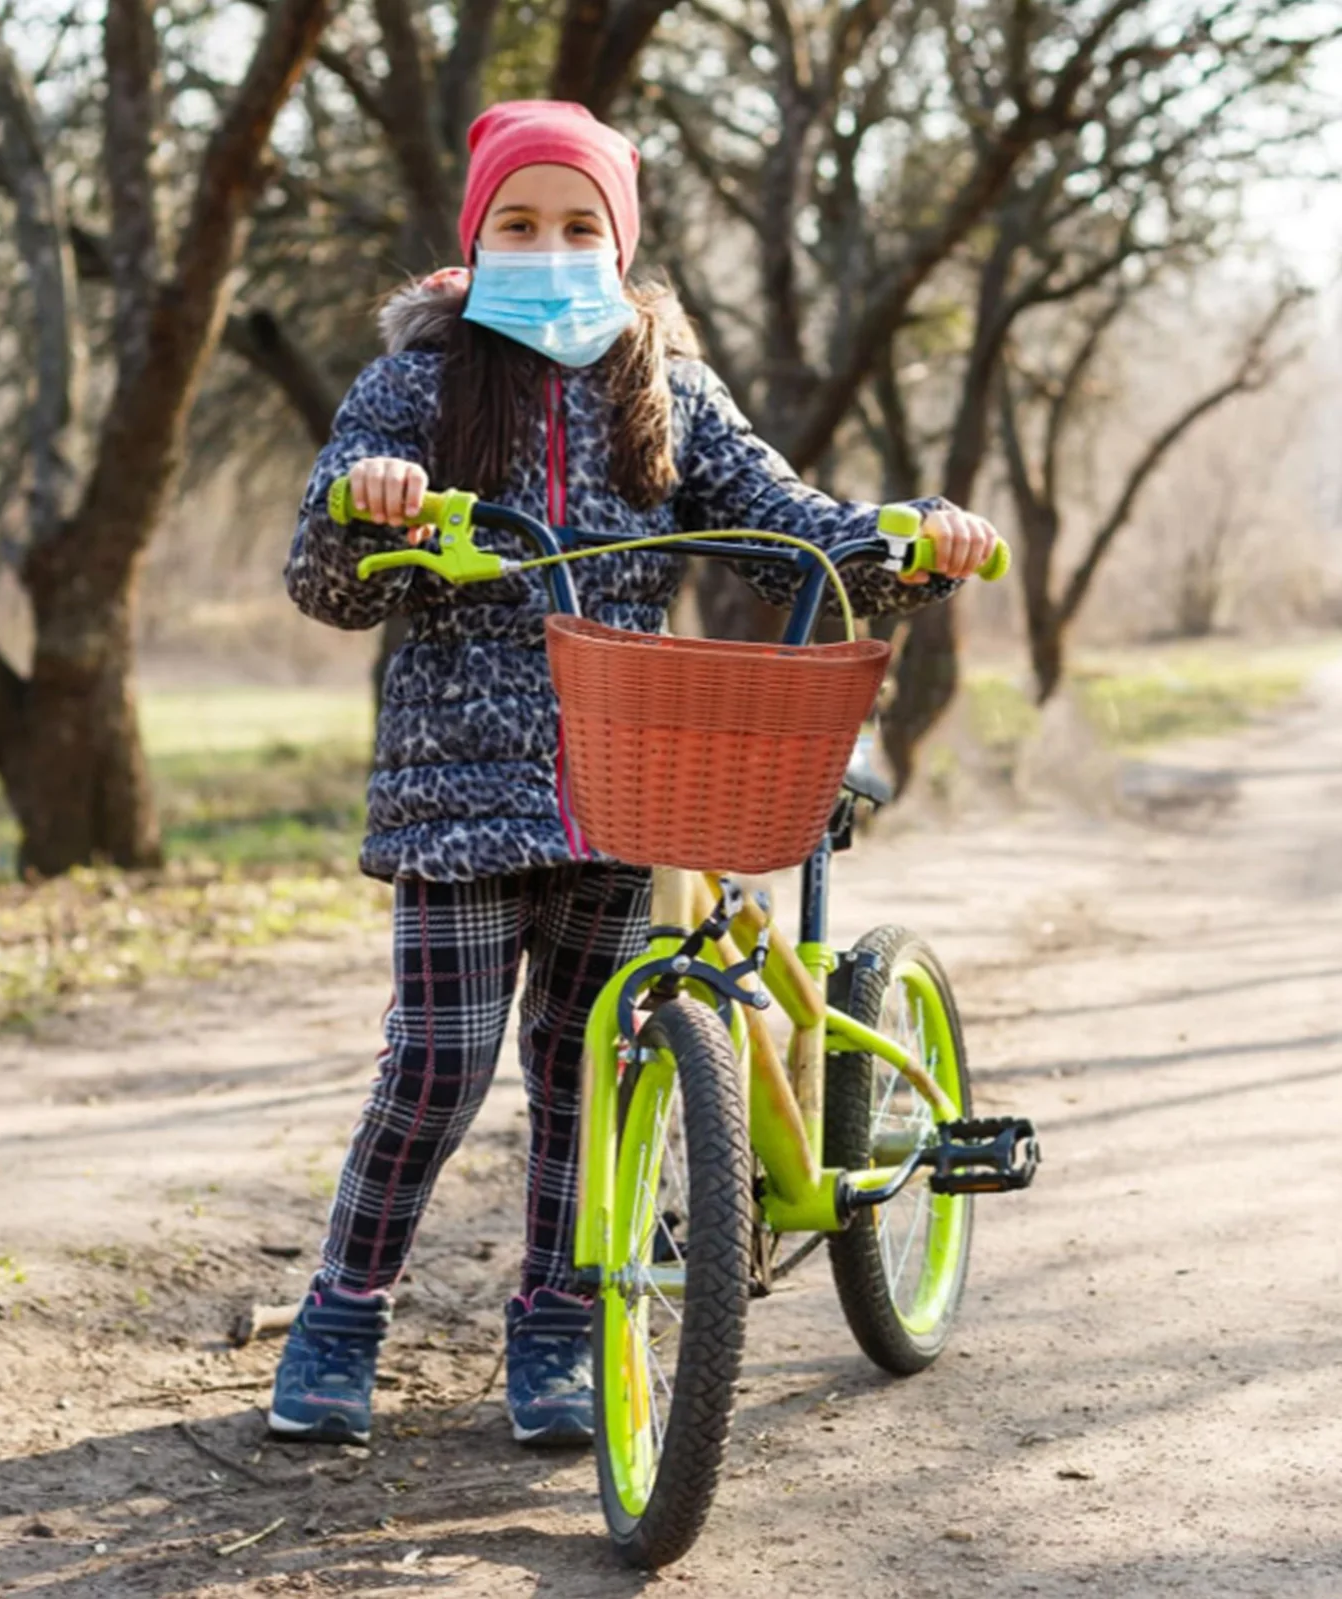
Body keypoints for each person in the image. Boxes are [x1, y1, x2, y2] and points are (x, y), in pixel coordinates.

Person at [272, 99, 1001, 1449]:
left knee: (584, 1068)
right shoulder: (417, 389)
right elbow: (325, 582)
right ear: (476, 239)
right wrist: (362, 500)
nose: (550, 249)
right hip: (460, 796)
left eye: (579, 226)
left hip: (625, 782)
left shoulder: (658, 383)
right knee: (434, 1063)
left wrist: (911, 544)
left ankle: (561, 1321)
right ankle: (343, 1309)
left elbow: (793, 524)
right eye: (521, 225)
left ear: (622, 243)